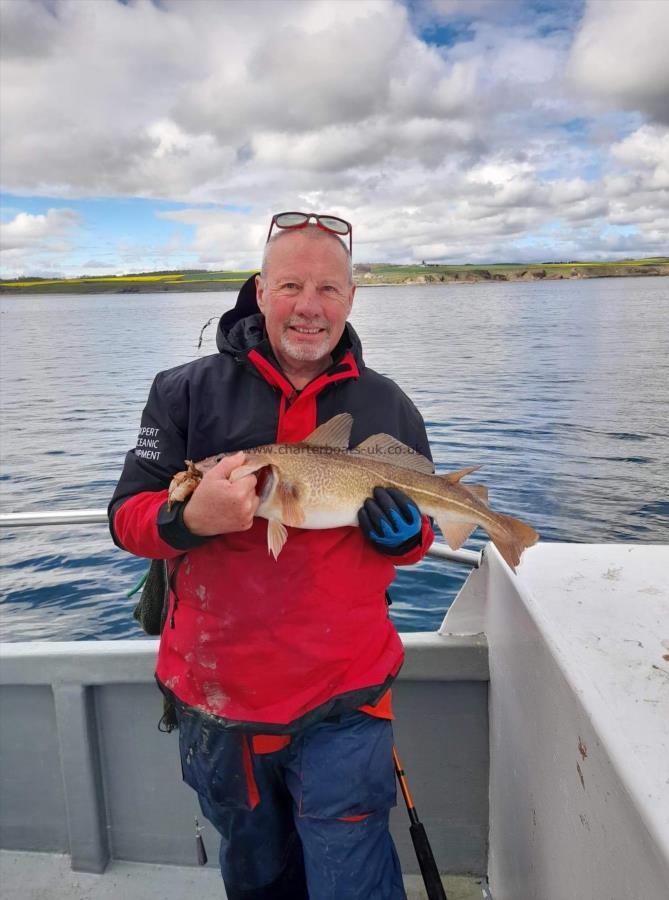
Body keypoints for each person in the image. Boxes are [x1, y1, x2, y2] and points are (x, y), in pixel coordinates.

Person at [109, 212, 434, 900]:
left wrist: (409, 539)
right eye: (290, 285)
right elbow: (127, 519)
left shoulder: (387, 404)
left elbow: (419, 537)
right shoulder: (183, 391)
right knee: (257, 874)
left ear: (350, 300)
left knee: (352, 873)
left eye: (327, 289)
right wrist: (188, 518)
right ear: (259, 291)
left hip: (345, 695)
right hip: (217, 697)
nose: (309, 308)